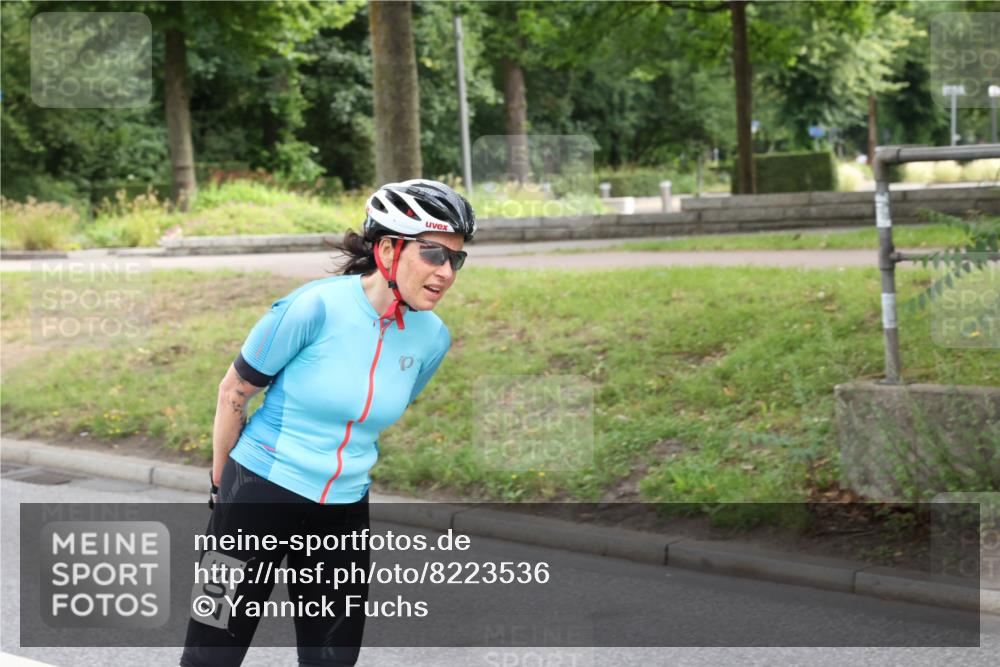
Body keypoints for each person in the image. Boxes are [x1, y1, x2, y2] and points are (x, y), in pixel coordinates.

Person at [179, 179, 476, 667]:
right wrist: (221, 488)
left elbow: (375, 414)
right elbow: (234, 391)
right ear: (387, 249)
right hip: (256, 494)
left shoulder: (432, 338)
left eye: (456, 259)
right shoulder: (313, 307)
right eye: (432, 254)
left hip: (342, 513)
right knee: (210, 655)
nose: (446, 272)